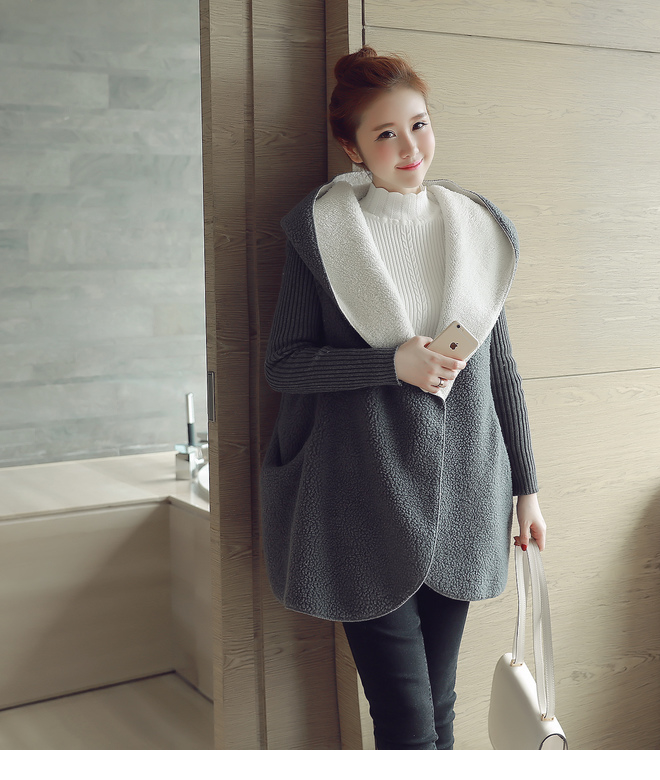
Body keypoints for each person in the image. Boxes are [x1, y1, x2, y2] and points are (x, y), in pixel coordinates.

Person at [261, 45, 547, 750]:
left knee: (440, 711)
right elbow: (285, 366)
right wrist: (390, 364)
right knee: (408, 725)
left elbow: (502, 374)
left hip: (463, 497)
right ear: (352, 148)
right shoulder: (324, 235)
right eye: (385, 133)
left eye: (418, 124)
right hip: (359, 499)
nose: (409, 147)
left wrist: (527, 490)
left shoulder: (475, 232)